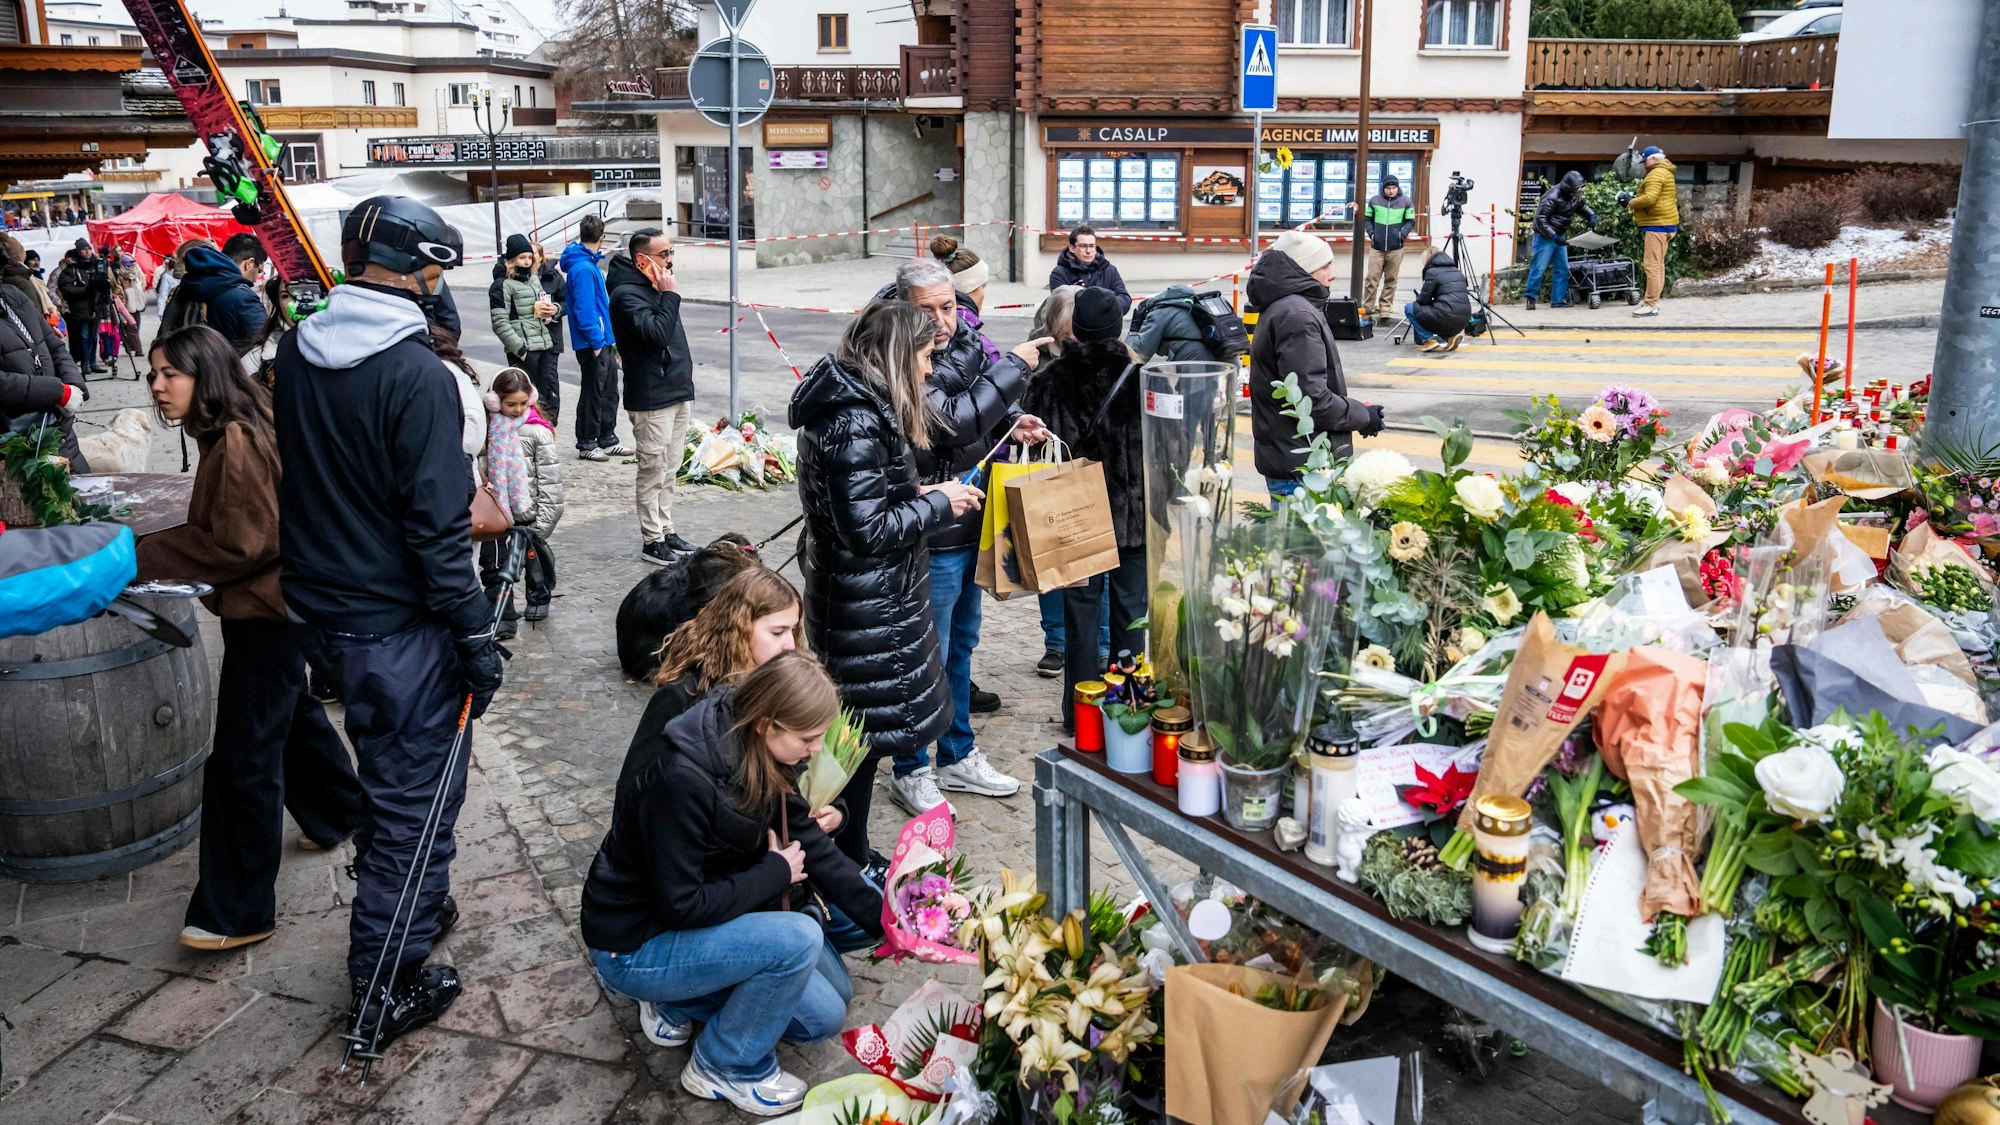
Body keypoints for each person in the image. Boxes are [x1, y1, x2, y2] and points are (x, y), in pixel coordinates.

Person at [272, 195, 499, 1047]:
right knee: (416, 800)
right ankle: (380, 992)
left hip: (325, 617)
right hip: (403, 629)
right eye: (438, 272)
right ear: (422, 272)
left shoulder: (298, 351)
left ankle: (415, 908)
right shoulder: (418, 375)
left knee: (388, 781)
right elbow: (438, 530)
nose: (441, 287)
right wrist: (477, 636)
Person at [136, 325, 365, 951]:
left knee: (243, 760)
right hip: (280, 610)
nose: (157, 386)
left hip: (268, 613)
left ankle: (237, 912)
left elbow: (241, 544)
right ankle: (341, 811)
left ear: (203, 376)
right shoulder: (242, 419)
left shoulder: (235, 437)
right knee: (289, 717)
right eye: (153, 374)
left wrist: (142, 553)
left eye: (169, 375)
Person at [583, 652, 880, 1116]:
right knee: (799, 939)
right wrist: (773, 874)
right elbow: (680, 905)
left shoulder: (763, 752)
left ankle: (682, 1000)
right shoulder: (684, 780)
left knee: (824, 1013)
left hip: (702, 916)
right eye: (808, 739)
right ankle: (725, 1063)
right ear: (767, 724)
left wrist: (889, 921)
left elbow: (813, 847)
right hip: (634, 943)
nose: (817, 750)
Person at [789, 300, 980, 865]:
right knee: (856, 746)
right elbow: (866, 530)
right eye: (925, 356)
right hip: (863, 604)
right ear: (897, 353)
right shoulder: (855, 418)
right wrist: (938, 505)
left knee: (858, 743)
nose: (928, 371)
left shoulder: (859, 405)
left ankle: (849, 852)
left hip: (866, 598)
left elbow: (862, 506)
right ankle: (840, 862)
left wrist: (914, 497)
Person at [894, 257, 1047, 816]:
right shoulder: (896, 356)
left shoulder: (964, 340)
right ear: (901, 309)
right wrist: (1013, 369)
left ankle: (957, 754)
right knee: (921, 656)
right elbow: (947, 422)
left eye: (948, 306)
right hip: (926, 532)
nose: (944, 320)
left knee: (960, 647)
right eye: (928, 309)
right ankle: (910, 768)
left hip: (969, 522)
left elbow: (978, 413)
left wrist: (1013, 417)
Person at [1022, 287, 1147, 728]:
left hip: (1076, 518)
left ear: (1076, 328)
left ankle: (1080, 716)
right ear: (1117, 328)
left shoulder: (1049, 380)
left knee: (1080, 616)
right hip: (1132, 517)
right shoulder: (1141, 377)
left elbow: (1036, 452)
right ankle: (1130, 705)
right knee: (1133, 615)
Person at [619, 566, 802, 792]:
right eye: (777, 632)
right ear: (740, 628)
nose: (790, 645)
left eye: (793, 631)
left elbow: (798, 767)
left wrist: (837, 812)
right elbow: (636, 786)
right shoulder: (683, 693)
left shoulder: (780, 685)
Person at [1246, 231, 1381, 496]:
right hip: (1302, 468)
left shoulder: (1287, 307)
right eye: (1325, 266)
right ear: (1304, 270)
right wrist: (1363, 416)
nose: (1332, 274)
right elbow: (1312, 402)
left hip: (1290, 457)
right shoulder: (1297, 315)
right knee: (1300, 538)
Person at [606, 227, 696, 564]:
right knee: (652, 469)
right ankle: (652, 539)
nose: (670, 261)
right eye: (664, 255)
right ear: (642, 260)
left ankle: (667, 528)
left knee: (670, 468)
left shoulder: (655, 285)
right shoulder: (626, 295)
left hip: (676, 390)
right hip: (651, 396)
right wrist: (670, 295)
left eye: (672, 253)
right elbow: (657, 335)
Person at [481, 366, 565, 633]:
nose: (516, 410)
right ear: (495, 401)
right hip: (496, 509)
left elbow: (550, 480)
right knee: (494, 563)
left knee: (534, 560)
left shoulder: (537, 432)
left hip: (527, 510)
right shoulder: (487, 432)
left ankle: (539, 596)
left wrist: (543, 521)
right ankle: (504, 613)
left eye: (521, 404)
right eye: (509, 404)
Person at [0, 270, 89, 469]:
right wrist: (56, 391)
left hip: (59, 433)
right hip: (15, 447)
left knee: (82, 491)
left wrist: (73, 384)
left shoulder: (11, 294)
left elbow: (54, 344)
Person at [562, 215, 630, 462]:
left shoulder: (588, 265)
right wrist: (596, 341)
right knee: (593, 391)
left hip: (603, 339)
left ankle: (607, 436)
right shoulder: (583, 268)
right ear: (602, 238)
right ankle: (587, 440)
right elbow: (585, 308)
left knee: (609, 388)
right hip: (594, 342)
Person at [489, 233, 563, 425]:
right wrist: (520, 350)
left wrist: (552, 311)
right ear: (511, 260)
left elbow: (541, 309)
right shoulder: (501, 285)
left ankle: (544, 434)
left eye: (530, 257)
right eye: (522, 257)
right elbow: (499, 322)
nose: (527, 261)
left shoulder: (533, 280)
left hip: (544, 344)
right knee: (522, 398)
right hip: (524, 350)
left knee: (545, 396)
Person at [163, 241, 267, 352]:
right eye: (259, 271)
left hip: (183, 361)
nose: (257, 277)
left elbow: (165, 332)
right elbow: (261, 343)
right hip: (225, 366)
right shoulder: (244, 297)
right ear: (249, 263)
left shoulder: (183, 290)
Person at [1524, 171, 1596, 312]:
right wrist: (1554, 236)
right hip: (1545, 237)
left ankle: (1558, 300)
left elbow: (1581, 206)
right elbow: (1540, 220)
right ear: (1569, 188)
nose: (1579, 191)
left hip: (1559, 235)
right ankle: (1531, 298)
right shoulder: (1552, 196)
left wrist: (1591, 215)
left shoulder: (1573, 196)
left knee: (1562, 268)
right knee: (1538, 268)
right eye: (1577, 188)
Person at [1627, 146, 1679, 318]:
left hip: (1657, 225)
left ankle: (1650, 304)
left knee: (1652, 266)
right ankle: (1654, 301)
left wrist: (1631, 202)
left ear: (1654, 159)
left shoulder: (1656, 173)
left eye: (1646, 161)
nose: (1644, 165)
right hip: (1667, 224)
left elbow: (1650, 198)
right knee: (1658, 264)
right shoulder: (1666, 171)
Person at [1360, 174, 1416, 319]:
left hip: (1396, 248)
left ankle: (1385, 308)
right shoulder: (1374, 201)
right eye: (1388, 188)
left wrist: (1401, 235)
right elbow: (1368, 219)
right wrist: (1372, 234)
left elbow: (1410, 221)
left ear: (1398, 188)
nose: (1391, 191)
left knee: (1391, 280)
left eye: (1394, 187)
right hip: (1377, 248)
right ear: (1383, 188)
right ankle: (1367, 309)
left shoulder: (1406, 201)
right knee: (1371, 279)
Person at [1046, 225, 1131, 313]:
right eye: (1083, 246)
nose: (1088, 251)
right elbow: (1061, 306)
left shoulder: (1109, 270)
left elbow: (1124, 299)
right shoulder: (1060, 273)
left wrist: (1106, 306)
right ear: (1072, 248)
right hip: (1074, 325)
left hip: (1106, 323)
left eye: (1091, 246)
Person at [54, 242, 109, 373]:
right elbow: (65, 288)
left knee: (94, 336)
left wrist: (103, 287)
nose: (87, 252)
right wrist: (86, 289)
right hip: (79, 307)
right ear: (78, 251)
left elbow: (105, 283)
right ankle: (85, 364)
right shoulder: (71, 269)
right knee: (84, 336)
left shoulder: (96, 266)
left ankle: (92, 362)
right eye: (84, 249)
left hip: (95, 306)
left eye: (89, 248)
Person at [1406, 251, 1473, 353]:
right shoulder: (1457, 271)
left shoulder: (1432, 272)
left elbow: (1424, 300)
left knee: (1410, 308)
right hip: (1465, 317)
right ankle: (1451, 337)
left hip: (1446, 314)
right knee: (1441, 311)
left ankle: (1428, 340)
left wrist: (1418, 298)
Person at [223, 232, 270, 313]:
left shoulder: (203, 282)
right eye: (259, 271)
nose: (256, 279)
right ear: (249, 263)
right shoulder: (247, 300)